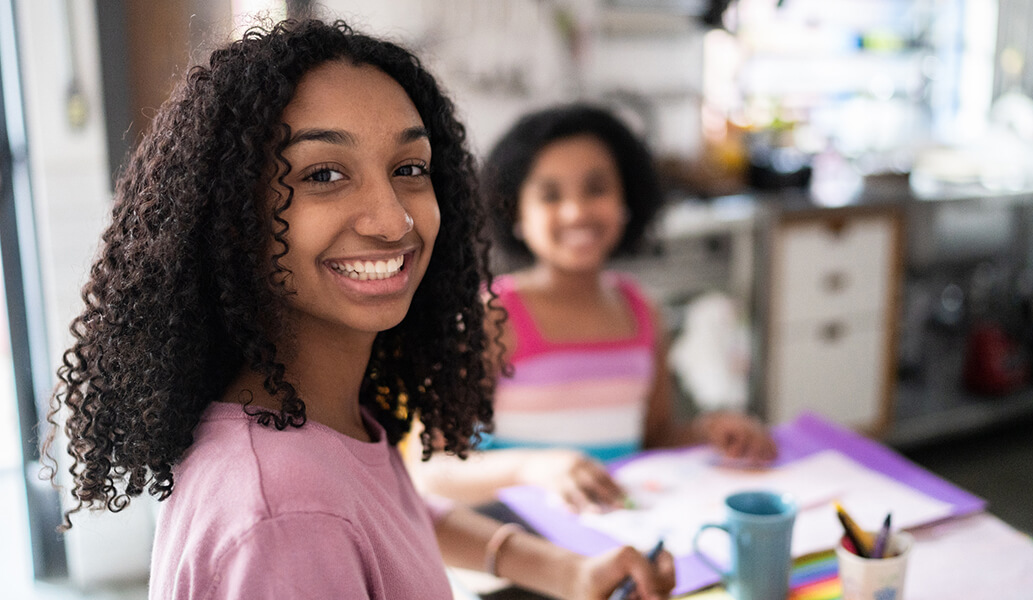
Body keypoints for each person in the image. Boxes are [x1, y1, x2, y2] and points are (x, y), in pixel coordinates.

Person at [43, 19, 675, 600]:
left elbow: (392, 514)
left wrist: (568, 571)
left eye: (408, 167)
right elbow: (327, 520)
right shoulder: (287, 517)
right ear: (231, 218)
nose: (393, 218)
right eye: (324, 175)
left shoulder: (323, 417)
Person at [414, 104, 777, 512]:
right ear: (514, 210)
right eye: (550, 195)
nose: (576, 211)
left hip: (620, 536)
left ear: (627, 196)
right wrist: (534, 467)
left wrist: (710, 430)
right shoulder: (493, 316)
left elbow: (652, 439)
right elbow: (432, 470)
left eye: (596, 188)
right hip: (523, 545)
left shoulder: (643, 312)